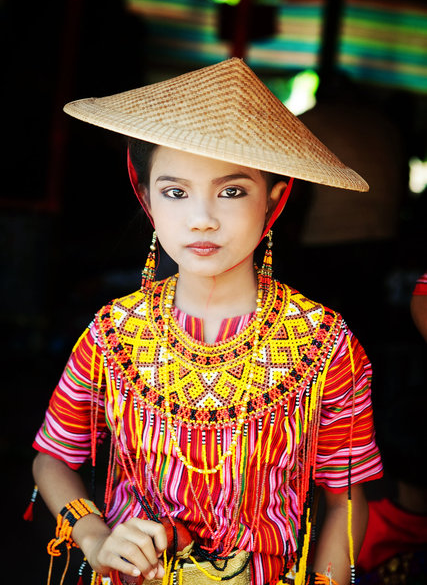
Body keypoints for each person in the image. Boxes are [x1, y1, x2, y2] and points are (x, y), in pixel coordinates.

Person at [31, 58, 383, 585]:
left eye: (233, 191)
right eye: (175, 191)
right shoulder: (114, 332)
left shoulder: (325, 344)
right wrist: (95, 536)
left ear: (275, 199)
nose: (202, 217)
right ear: (147, 199)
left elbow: (347, 496)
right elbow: (53, 459)